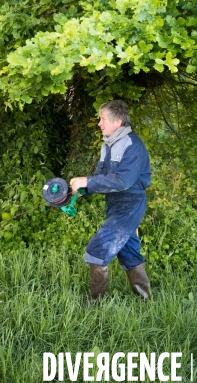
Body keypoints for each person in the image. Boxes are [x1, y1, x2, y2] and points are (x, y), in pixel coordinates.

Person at [70, 100, 151, 301]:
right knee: (129, 252)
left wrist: (86, 181)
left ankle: (95, 305)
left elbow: (124, 181)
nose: (99, 123)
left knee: (97, 250)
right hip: (115, 205)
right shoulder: (107, 146)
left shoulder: (133, 146)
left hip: (130, 206)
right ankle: (146, 301)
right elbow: (101, 177)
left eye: (102, 118)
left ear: (117, 121)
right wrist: (83, 190)